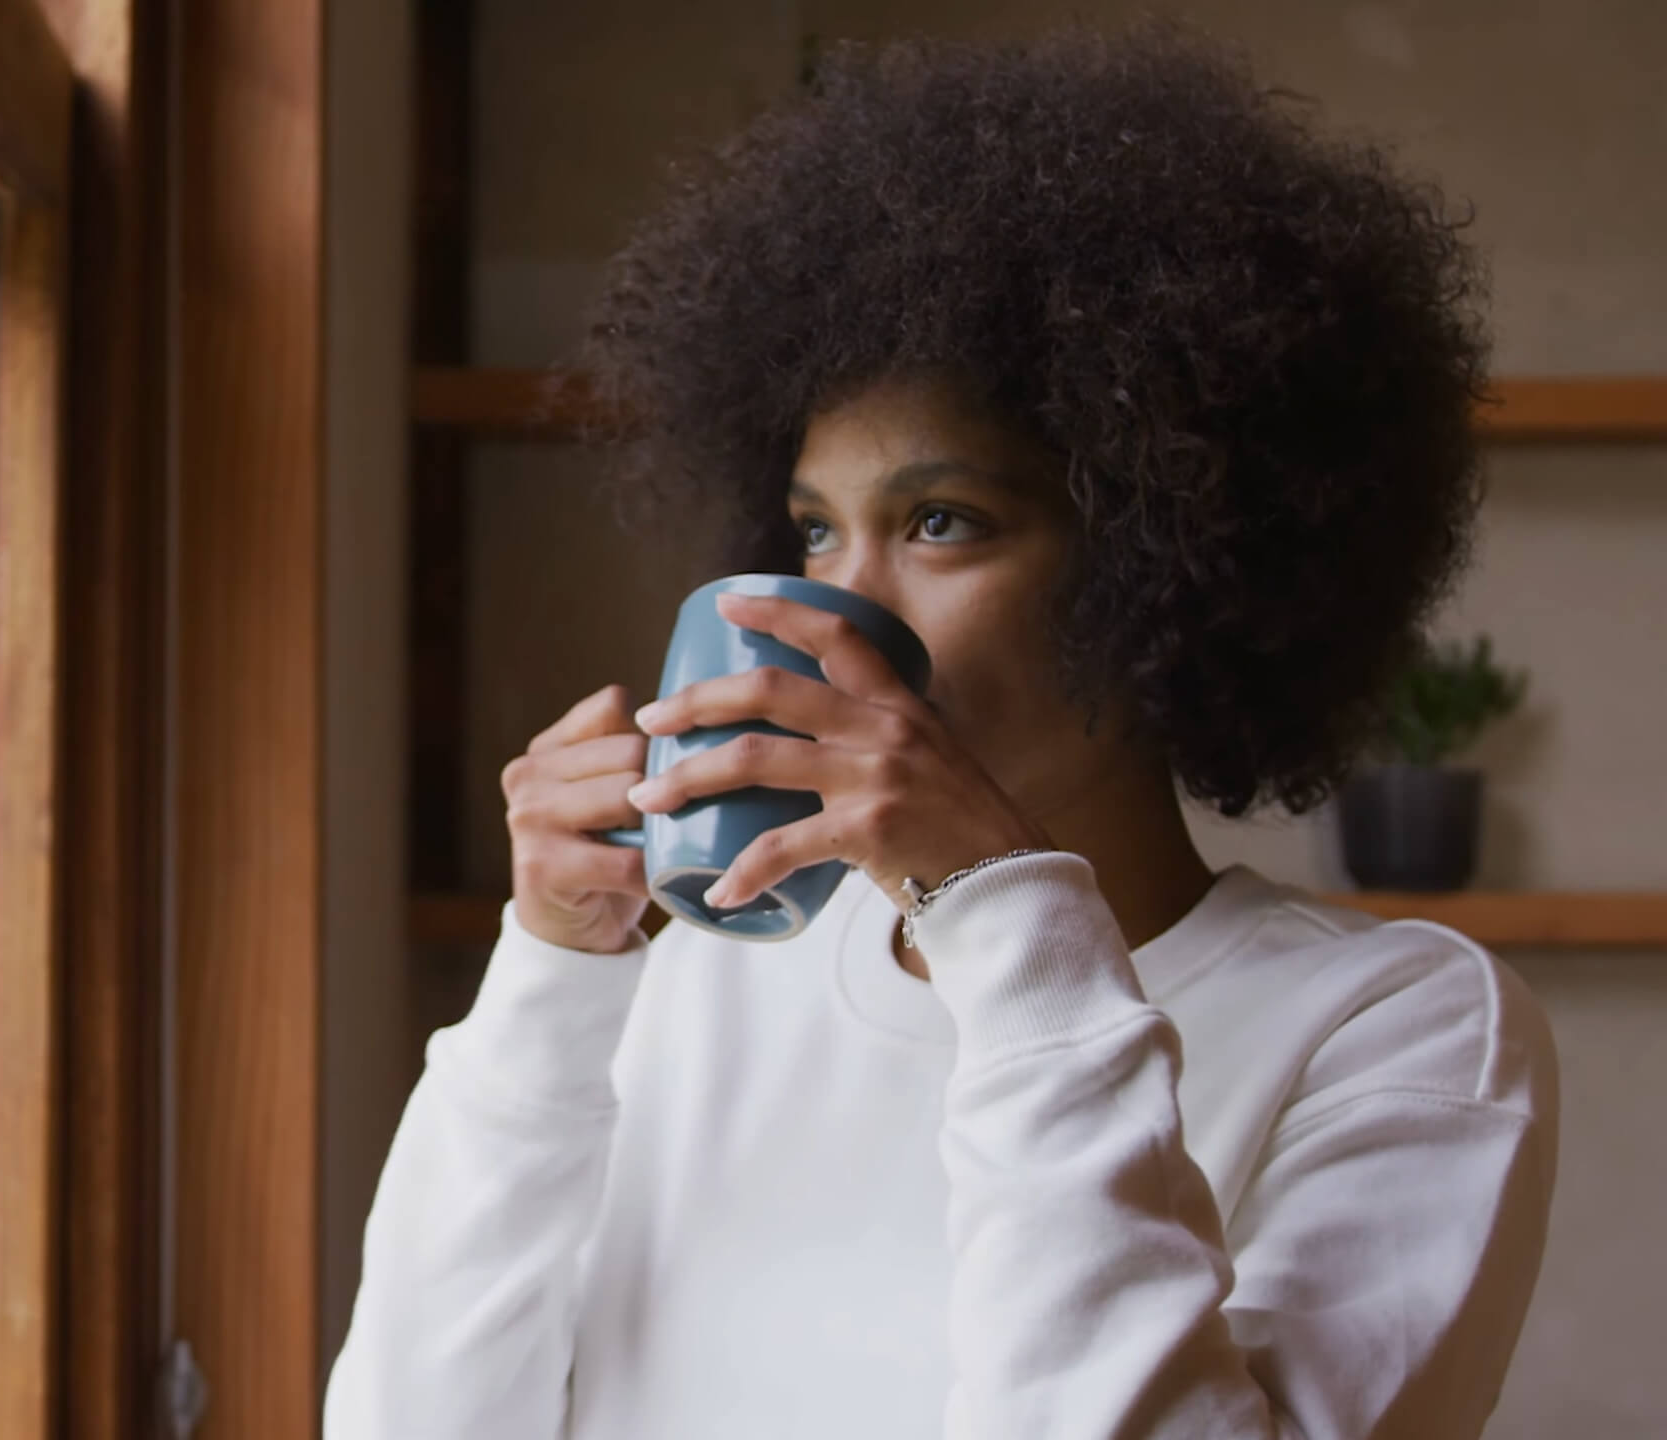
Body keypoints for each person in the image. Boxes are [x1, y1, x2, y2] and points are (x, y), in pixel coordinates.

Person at [325, 20, 1557, 1440]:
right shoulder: (704, 981)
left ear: (1169, 558)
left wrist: (1004, 919)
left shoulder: (1400, 1031)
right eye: (810, 528)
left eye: (941, 522)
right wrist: (551, 970)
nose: (832, 604)